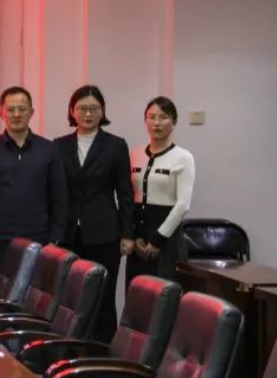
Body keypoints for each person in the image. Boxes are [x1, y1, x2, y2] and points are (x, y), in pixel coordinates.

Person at [54, 85, 134, 341]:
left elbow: (125, 193)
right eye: (82, 108)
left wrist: (128, 234)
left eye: (93, 109)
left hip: (104, 233)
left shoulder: (115, 145)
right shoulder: (59, 145)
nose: (87, 114)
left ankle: (102, 351)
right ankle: (69, 350)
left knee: (103, 295)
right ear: (72, 111)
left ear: (102, 111)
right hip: (68, 233)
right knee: (69, 296)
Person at [0, 86, 69, 289]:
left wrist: (55, 239)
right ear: (1, 113)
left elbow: (59, 197)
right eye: (11, 109)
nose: (16, 114)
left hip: (38, 240)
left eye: (22, 109)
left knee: (34, 299)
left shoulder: (49, 150)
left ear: (31, 112)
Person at [127, 96, 195, 283]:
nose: (156, 123)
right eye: (151, 117)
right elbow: (127, 196)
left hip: (167, 237)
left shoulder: (183, 157)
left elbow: (183, 204)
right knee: (137, 292)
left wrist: (158, 239)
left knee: (165, 293)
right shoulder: (134, 154)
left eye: (163, 117)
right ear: (145, 121)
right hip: (139, 238)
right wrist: (133, 234)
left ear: (173, 121)